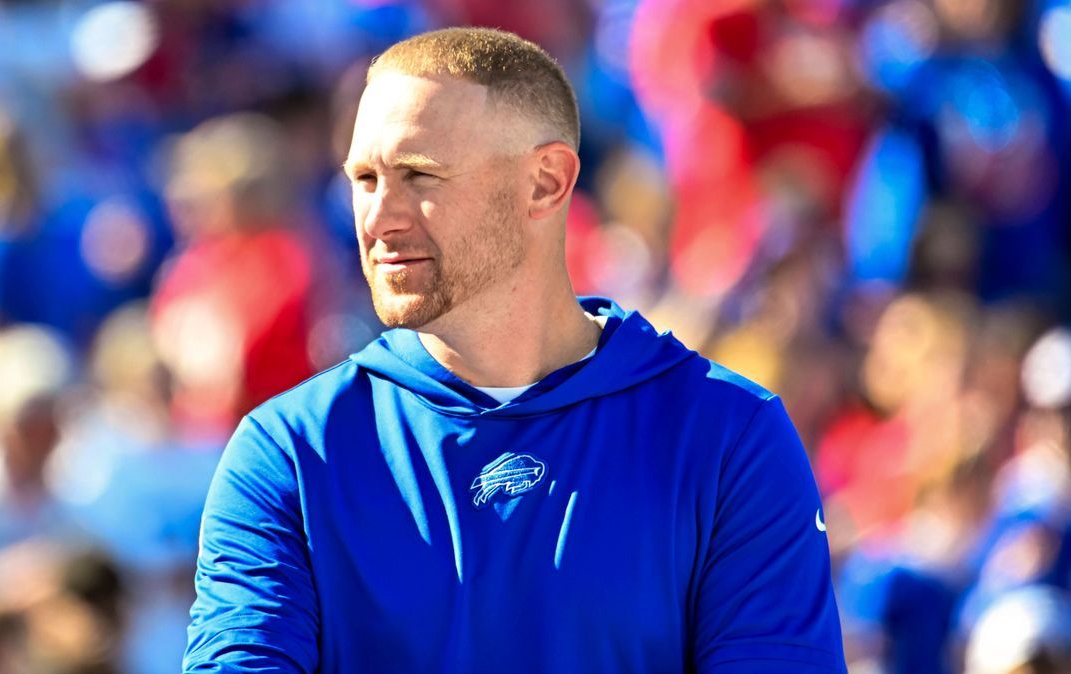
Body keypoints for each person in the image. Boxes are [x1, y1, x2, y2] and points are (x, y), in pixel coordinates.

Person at [185, 27, 845, 673]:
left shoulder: (730, 437)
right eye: (364, 178)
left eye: (420, 175)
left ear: (545, 182)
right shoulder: (289, 452)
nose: (379, 216)